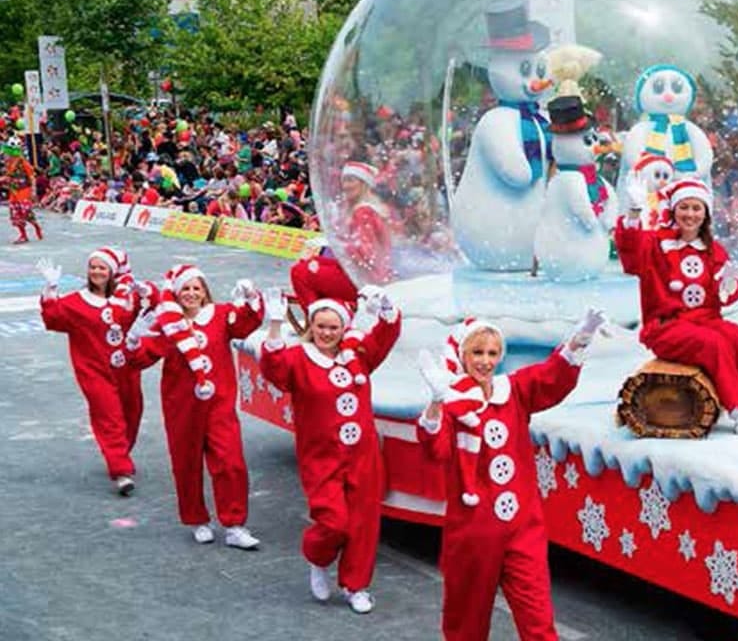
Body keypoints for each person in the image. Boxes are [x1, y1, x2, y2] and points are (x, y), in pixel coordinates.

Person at [415, 312, 604, 641]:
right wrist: (435, 404)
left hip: (522, 528)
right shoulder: (453, 404)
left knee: (538, 619)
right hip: (473, 533)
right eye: (477, 352)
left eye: (492, 353)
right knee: (466, 623)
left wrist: (580, 338)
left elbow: (551, 377)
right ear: (463, 355)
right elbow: (436, 450)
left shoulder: (512, 390)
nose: (485, 361)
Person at [258, 285, 402, 614]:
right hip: (321, 457)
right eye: (321, 326)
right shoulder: (298, 359)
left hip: (363, 455)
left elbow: (386, 335)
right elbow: (273, 370)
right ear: (311, 326)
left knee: (364, 523)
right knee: (333, 522)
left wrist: (386, 307)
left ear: (343, 328)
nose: (326, 333)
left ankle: (356, 586)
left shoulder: (358, 355)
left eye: (333, 327)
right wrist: (275, 324)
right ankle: (319, 559)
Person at [616, 176, 738, 434]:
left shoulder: (713, 250)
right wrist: (634, 212)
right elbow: (631, 255)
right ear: (674, 210)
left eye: (697, 208)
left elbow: (723, 293)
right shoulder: (656, 244)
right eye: (684, 207)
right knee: (713, 344)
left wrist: (731, 287)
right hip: (665, 327)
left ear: (705, 214)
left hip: (707, 320)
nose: (690, 214)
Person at [126, 265, 263, 548]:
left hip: (219, 404)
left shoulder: (221, 314)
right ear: (177, 294)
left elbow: (246, 324)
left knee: (230, 462)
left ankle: (234, 525)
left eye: (196, 288)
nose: (191, 293)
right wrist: (133, 339)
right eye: (185, 289)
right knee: (186, 464)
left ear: (205, 292)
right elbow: (141, 359)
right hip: (181, 406)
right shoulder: (167, 323)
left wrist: (251, 296)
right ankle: (196, 519)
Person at [37, 249, 141, 495]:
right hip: (93, 372)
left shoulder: (125, 299)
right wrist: (51, 288)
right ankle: (121, 470)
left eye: (102, 267)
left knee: (131, 414)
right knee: (109, 418)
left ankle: (120, 452)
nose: (96, 271)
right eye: (93, 267)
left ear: (112, 272)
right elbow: (53, 319)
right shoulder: (77, 301)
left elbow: (146, 312)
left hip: (126, 369)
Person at [4, 143, 42, 243]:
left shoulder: (23, 162)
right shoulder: (8, 164)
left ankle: (36, 226)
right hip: (13, 191)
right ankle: (23, 235)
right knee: (15, 212)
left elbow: (32, 177)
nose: (5, 155)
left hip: (24, 190)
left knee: (26, 211)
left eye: (6, 154)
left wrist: (33, 191)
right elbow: (8, 177)